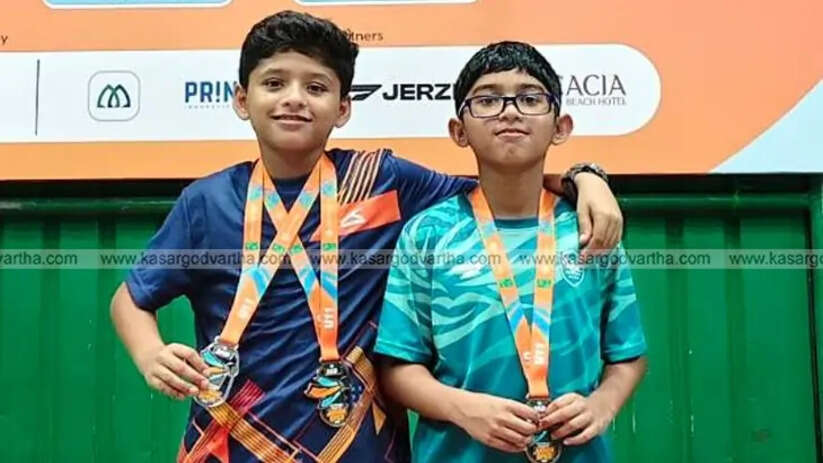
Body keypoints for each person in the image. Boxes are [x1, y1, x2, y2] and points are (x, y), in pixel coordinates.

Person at [109, 12, 623, 463]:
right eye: (275, 83)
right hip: (233, 441)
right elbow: (130, 300)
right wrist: (150, 354)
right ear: (243, 100)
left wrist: (586, 178)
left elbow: (502, 183)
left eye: (316, 87)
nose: (294, 99)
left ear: (343, 108)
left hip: (360, 446)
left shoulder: (383, 180)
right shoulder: (206, 201)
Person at [375, 41, 648, 463]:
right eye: (487, 100)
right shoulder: (428, 234)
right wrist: (462, 409)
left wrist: (602, 405)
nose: (509, 111)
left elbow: (627, 353)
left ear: (560, 127)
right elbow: (397, 367)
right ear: (459, 131)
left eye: (530, 98)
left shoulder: (589, 227)